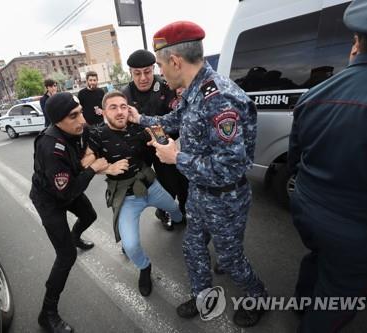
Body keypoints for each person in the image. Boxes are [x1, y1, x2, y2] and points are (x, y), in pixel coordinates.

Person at [128, 21, 268, 327]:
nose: (160, 72)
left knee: (230, 260)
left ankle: (258, 297)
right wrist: (140, 118)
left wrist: (177, 158)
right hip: (200, 194)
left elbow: (231, 166)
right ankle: (202, 295)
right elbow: (174, 119)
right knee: (192, 248)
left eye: (161, 65)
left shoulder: (220, 99)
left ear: (176, 61)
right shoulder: (194, 92)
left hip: (225, 198)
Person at [287, 1, 367, 331]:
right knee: (338, 301)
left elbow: (294, 158)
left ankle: (301, 301)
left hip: (308, 211)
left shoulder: (314, 95)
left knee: (318, 257)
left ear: (356, 42)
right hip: (361, 232)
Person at [88, 90, 183, 296]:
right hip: (127, 197)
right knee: (130, 245)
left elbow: (160, 136)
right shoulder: (96, 135)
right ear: (104, 112)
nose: (120, 111)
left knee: (176, 210)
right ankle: (144, 267)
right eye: (113, 107)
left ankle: (172, 219)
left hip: (150, 186)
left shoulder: (137, 127)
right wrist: (107, 169)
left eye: (123, 106)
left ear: (129, 109)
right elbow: (86, 162)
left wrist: (160, 139)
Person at [30, 92, 109, 333]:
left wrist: (91, 154)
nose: (82, 120)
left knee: (89, 216)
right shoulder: (50, 147)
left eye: (81, 113)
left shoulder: (78, 129)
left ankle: (75, 237)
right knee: (66, 257)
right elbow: (65, 193)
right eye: (73, 116)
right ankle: (47, 313)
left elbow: (94, 138)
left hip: (68, 188)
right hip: (49, 201)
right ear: (57, 120)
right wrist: (93, 168)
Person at [122, 49, 188, 231]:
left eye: (147, 72)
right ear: (130, 73)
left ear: (153, 69)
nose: (143, 78)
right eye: (137, 73)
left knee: (171, 184)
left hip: (163, 145)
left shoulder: (167, 88)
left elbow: (176, 119)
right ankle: (130, 230)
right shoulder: (124, 95)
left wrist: (166, 140)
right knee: (138, 189)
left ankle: (167, 211)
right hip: (139, 148)